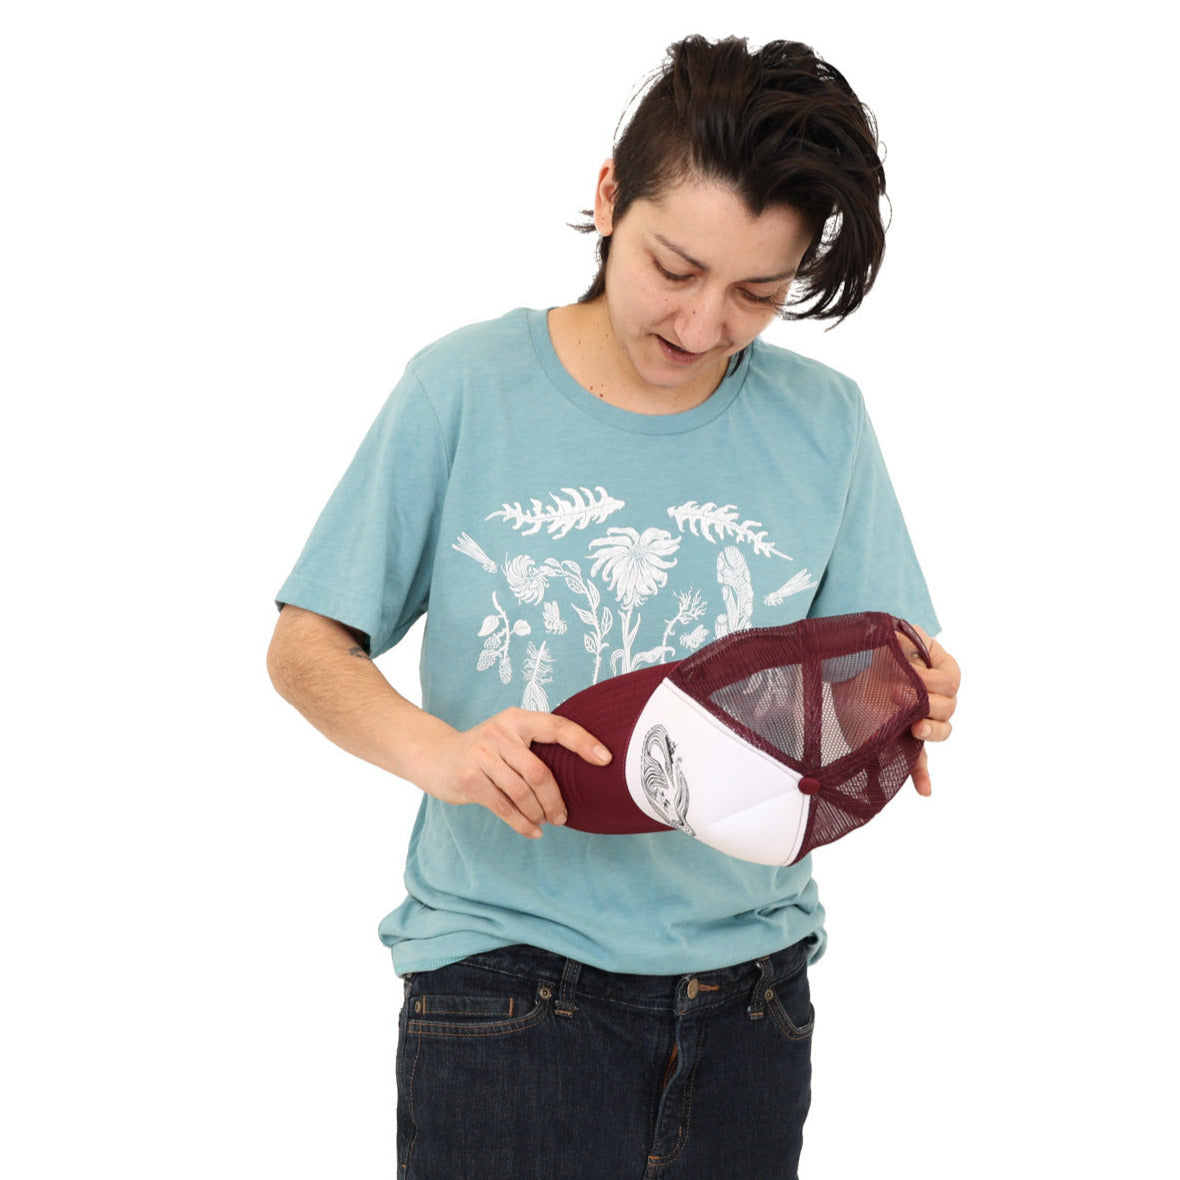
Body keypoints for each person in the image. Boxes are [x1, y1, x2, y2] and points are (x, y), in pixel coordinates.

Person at [268, 34, 960, 1179]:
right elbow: (307, 644)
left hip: (754, 997)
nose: (700, 326)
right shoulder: (462, 387)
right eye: (673, 269)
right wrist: (441, 755)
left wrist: (925, 693)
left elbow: (877, 666)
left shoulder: (826, 420)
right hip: (506, 986)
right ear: (605, 198)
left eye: (756, 292)